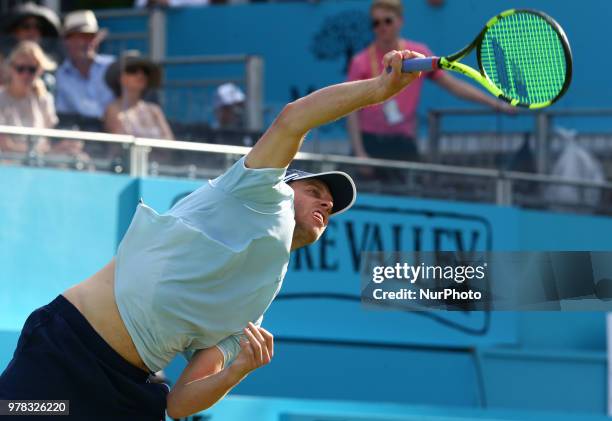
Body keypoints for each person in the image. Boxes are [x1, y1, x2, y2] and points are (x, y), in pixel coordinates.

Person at [0, 48, 420, 419]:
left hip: (127, 390)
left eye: (331, 205)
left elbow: (180, 403)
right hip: (65, 351)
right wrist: (378, 91)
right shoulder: (258, 191)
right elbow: (295, 117)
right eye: (315, 191)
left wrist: (236, 372)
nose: (327, 204)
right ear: (286, 184)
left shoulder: (258, 302)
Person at [347, 0, 512, 166]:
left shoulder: (417, 55)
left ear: (400, 21)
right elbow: (351, 109)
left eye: (387, 21)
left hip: (403, 144)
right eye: (376, 23)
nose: (382, 27)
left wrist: (496, 104)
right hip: (369, 142)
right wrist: (360, 152)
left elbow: (454, 86)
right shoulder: (360, 61)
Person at [0, 41, 57, 157]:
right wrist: (37, 152)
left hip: (38, 166)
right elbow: (5, 146)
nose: (26, 74)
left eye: (32, 69)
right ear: (11, 68)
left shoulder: (45, 100)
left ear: (40, 70)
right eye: (20, 68)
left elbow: (46, 143)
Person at [55, 10, 115, 119]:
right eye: (81, 37)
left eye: (91, 36)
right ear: (67, 41)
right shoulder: (58, 75)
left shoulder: (113, 67)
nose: (87, 42)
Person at [103, 50, 173, 140]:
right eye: (132, 70)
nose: (141, 74)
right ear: (121, 78)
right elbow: (119, 145)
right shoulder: (113, 109)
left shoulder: (154, 110)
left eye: (145, 71)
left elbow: (170, 143)